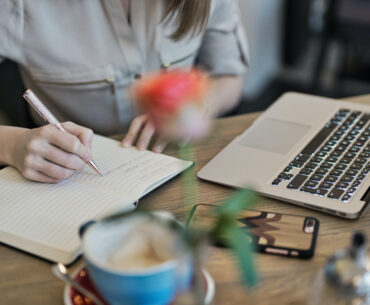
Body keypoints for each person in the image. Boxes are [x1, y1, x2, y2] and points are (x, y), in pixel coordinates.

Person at [0, 0, 249, 183]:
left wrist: (200, 105)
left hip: (183, 165)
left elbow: (229, 77)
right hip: (70, 176)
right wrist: (13, 145)